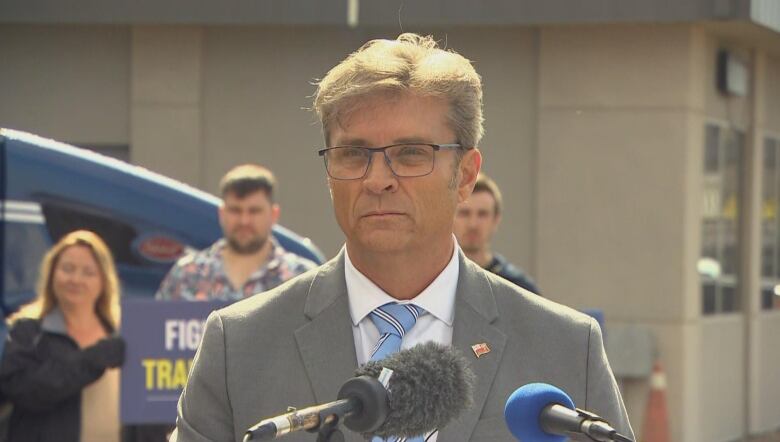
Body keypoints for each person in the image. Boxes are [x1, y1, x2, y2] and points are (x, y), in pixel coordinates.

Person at [171, 34, 634, 441]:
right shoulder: (241, 344)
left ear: (467, 174)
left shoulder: (564, 347)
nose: (377, 179)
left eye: (411, 154)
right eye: (354, 154)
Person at [0, 230, 125, 442]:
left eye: (88, 272)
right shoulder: (28, 332)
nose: (76, 279)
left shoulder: (122, 334)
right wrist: (91, 360)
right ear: (52, 274)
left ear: (104, 281)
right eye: (67, 269)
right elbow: (23, 391)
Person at [156, 163, 316, 301]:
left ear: (274, 214)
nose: (244, 221)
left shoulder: (301, 278)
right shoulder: (186, 275)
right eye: (235, 210)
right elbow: (154, 332)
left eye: (254, 211)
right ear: (222, 213)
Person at [454, 172, 541, 294]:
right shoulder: (433, 282)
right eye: (464, 213)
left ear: (496, 220)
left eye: (482, 214)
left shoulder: (518, 288)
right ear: (450, 217)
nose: (473, 224)